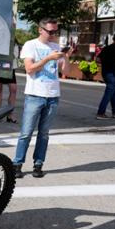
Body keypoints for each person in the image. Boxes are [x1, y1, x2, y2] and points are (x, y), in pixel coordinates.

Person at [12, 18, 72, 179]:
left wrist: (65, 56)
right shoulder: (30, 45)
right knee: (26, 132)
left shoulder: (56, 47)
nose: (53, 35)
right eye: (50, 31)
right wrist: (48, 59)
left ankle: (38, 164)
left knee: (44, 133)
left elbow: (67, 71)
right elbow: (29, 69)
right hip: (34, 95)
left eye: (55, 32)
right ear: (40, 30)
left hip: (53, 95)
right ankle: (17, 164)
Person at [96, 32, 115, 120]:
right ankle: (100, 113)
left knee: (113, 93)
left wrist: (105, 62)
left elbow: (97, 59)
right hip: (113, 73)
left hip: (105, 73)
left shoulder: (106, 48)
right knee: (108, 94)